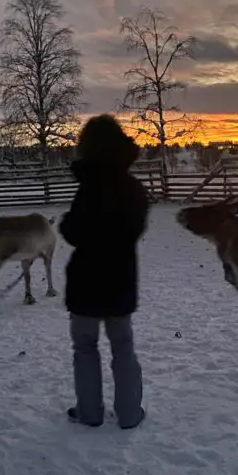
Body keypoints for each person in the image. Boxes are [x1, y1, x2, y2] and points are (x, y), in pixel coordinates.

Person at [59, 115, 148, 429]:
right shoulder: (133, 189)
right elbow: (135, 230)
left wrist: (67, 224)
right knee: (123, 347)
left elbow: (73, 232)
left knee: (85, 348)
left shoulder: (87, 189)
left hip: (86, 283)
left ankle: (90, 412)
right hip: (121, 281)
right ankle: (129, 413)